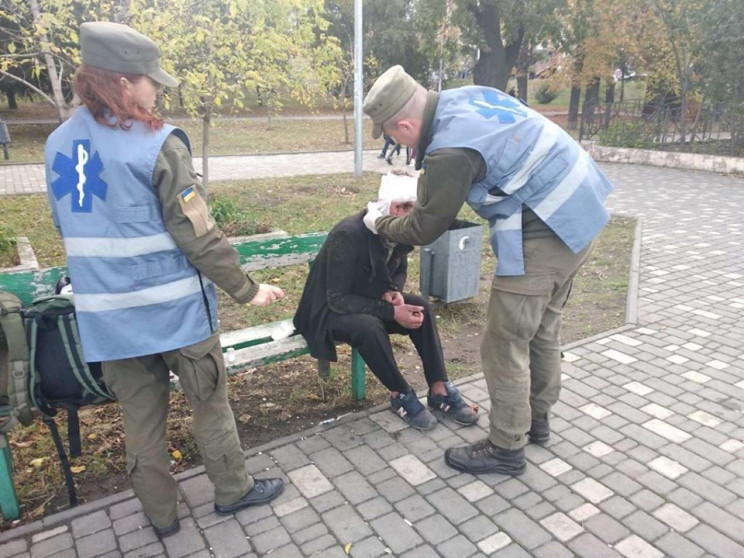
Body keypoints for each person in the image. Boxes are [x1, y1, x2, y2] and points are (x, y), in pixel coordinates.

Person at [43, 22, 286, 538]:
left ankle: (162, 517)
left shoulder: (57, 143)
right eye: (150, 79)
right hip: (177, 314)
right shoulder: (155, 143)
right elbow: (198, 234)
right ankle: (233, 490)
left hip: (110, 322)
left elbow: (68, 227)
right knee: (210, 402)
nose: (157, 89)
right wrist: (247, 288)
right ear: (123, 82)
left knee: (141, 421)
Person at [362, 65, 613, 476]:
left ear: (405, 123)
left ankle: (506, 446)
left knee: (504, 342)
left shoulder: (448, 150)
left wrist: (380, 222)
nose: (396, 142)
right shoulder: (468, 96)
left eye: (393, 135)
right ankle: (537, 422)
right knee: (542, 329)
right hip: (581, 215)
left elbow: (426, 227)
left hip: (547, 234)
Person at [293, 170, 479, 430]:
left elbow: (399, 268)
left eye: (412, 208)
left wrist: (394, 291)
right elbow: (337, 299)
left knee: (421, 307)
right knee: (369, 327)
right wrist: (391, 313)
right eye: (401, 206)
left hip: (366, 299)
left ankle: (439, 390)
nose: (407, 214)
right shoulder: (349, 233)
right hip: (326, 312)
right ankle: (400, 394)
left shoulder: (400, 231)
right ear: (384, 206)